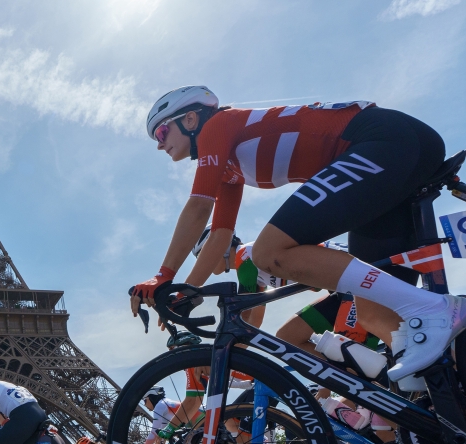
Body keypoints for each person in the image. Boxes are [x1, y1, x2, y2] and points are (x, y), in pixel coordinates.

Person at [130, 87, 459, 383]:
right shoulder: (230, 171)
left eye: (161, 131)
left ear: (190, 118)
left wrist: (163, 275)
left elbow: (199, 207)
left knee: (269, 252)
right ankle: (442, 390)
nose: (159, 144)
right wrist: (188, 292)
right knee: (374, 315)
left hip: (382, 139)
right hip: (389, 155)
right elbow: (220, 235)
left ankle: (436, 309)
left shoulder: (217, 125)